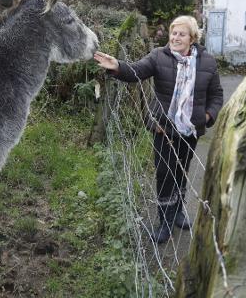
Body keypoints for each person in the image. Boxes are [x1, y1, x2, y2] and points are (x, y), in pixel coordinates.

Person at [94, 15, 223, 244]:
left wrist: (206, 116)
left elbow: (216, 95)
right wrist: (117, 67)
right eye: (173, 33)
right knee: (165, 174)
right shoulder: (158, 56)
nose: (175, 37)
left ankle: (178, 211)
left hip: (190, 130)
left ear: (192, 38)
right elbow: (136, 72)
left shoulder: (208, 62)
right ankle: (164, 221)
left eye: (181, 34)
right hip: (163, 127)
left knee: (182, 171)